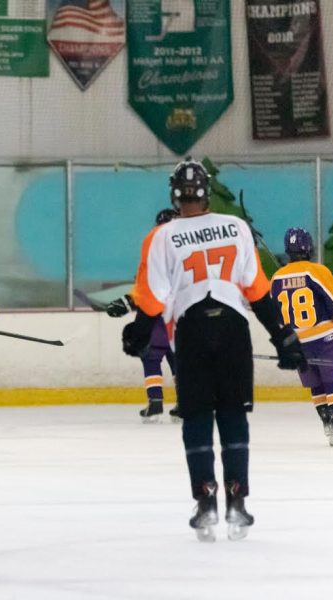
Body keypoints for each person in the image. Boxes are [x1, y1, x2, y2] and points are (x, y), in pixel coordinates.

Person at [122, 158, 305, 542]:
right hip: (234, 329)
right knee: (234, 416)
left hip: (191, 330)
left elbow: (152, 299)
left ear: (174, 193)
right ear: (206, 192)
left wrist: (137, 334)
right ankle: (237, 501)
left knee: (198, 418)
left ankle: (205, 500)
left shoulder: (161, 236)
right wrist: (284, 339)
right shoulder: (236, 227)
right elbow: (258, 292)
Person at [271, 228, 333, 447]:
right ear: (309, 247)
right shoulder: (316, 271)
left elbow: (276, 314)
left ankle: (327, 424)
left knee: (315, 383)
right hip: (324, 337)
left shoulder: (277, 277)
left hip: (298, 342)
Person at [106, 208, 179, 423]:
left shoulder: (152, 253)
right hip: (179, 321)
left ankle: (155, 402)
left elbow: (144, 291)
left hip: (155, 321)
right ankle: (184, 404)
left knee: (151, 357)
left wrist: (126, 303)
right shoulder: (187, 252)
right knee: (178, 361)